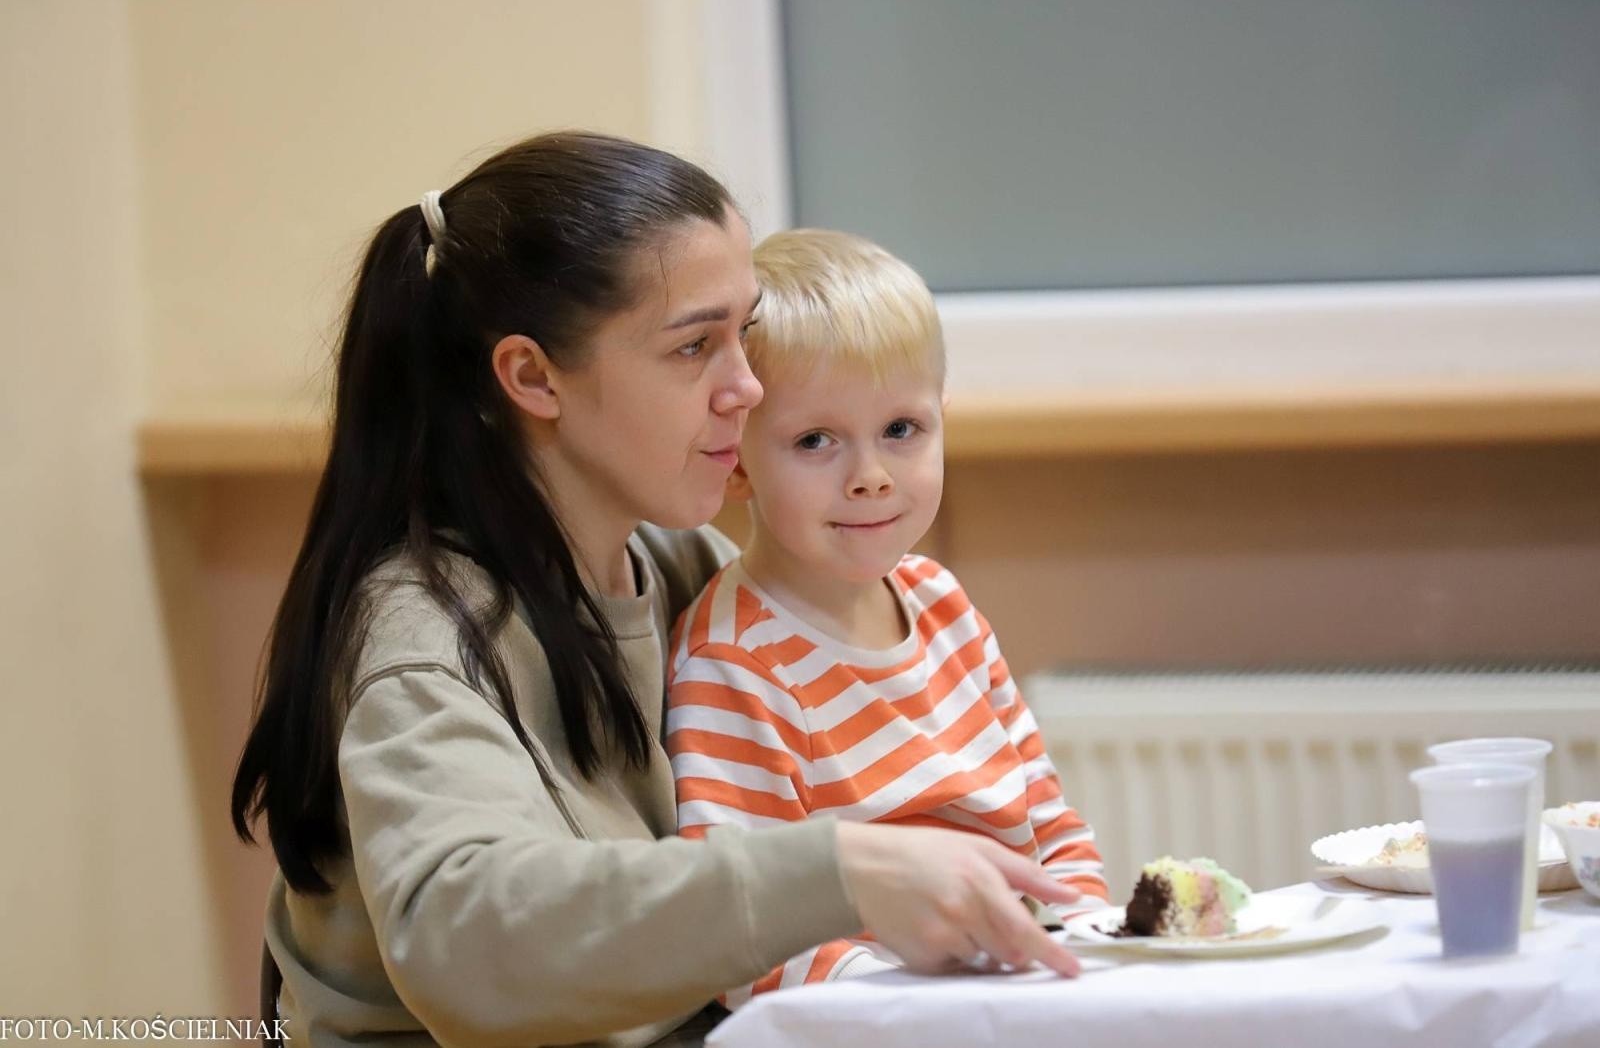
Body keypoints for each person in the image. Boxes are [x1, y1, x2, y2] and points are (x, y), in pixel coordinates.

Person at [229, 132, 1083, 1048]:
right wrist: (839, 870)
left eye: (744, 334)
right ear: (532, 377)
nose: (748, 388)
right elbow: (462, 937)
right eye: (694, 348)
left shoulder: (684, 565)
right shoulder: (422, 631)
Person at [665, 229, 1108, 1006]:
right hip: (877, 1014)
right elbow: (746, 933)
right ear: (736, 461)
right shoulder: (735, 661)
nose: (870, 477)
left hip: (1011, 989)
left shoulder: (942, 601)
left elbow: (1046, 818)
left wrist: (1090, 938)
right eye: (815, 441)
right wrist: (917, 1003)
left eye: (901, 430)